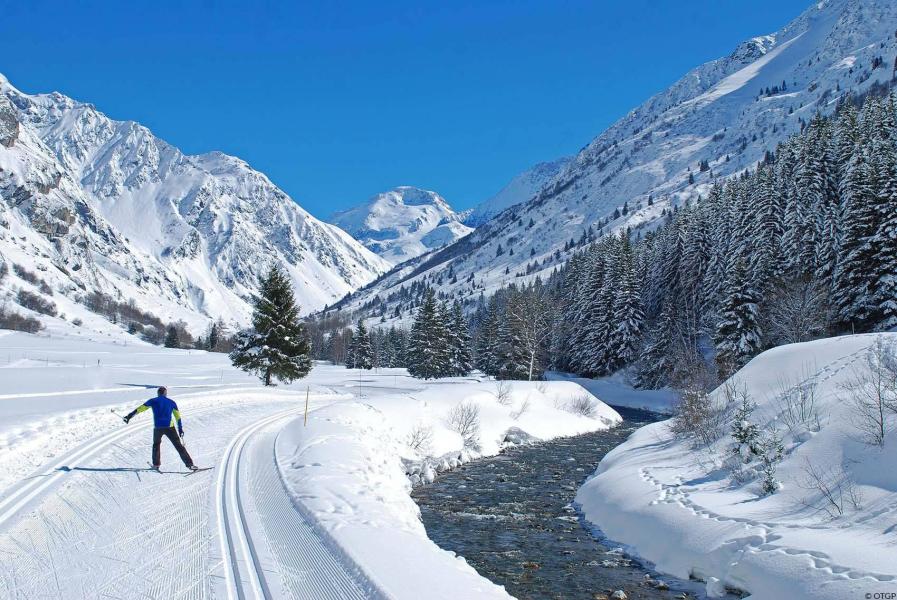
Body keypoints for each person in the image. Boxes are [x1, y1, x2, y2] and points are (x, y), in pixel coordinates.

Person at [124, 386, 198, 471]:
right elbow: (178, 417)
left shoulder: (152, 401)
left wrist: (129, 416)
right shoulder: (171, 402)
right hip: (169, 427)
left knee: (156, 445)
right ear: (165, 393)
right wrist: (180, 429)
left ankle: (156, 464)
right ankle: (190, 465)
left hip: (158, 428)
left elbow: (140, 409)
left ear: (158, 393)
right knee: (178, 446)